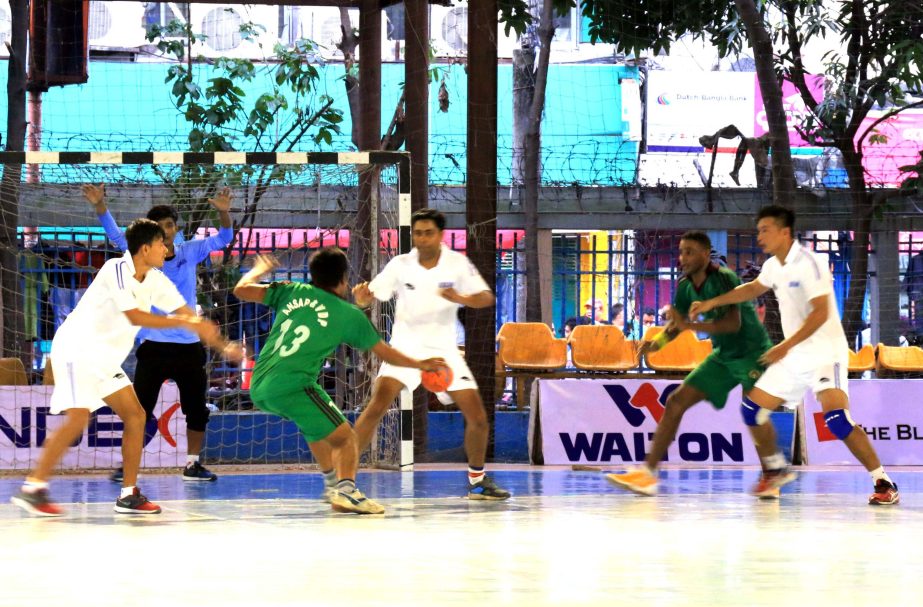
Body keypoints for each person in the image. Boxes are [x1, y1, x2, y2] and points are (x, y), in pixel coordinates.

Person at [11, 219, 240, 517]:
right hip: (77, 349)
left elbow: (186, 313)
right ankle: (34, 488)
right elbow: (134, 316)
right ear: (145, 248)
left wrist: (223, 344)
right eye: (161, 243)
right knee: (78, 418)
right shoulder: (116, 268)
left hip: (104, 359)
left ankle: (128, 494)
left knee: (135, 415)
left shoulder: (156, 279)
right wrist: (187, 322)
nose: (165, 248)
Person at [690, 205, 899, 505]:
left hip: (825, 351)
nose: (760, 235)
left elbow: (820, 313)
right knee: (752, 410)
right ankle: (775, 471)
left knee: (838, 420)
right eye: (758, 230)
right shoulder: (773, 266)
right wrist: (713, 302)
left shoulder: (811, 263)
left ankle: (882, 481)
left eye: (765, 230)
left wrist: (785, 347)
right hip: (796, 355)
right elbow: (752, 289)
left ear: (784, 232)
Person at [232, 248, 446, 515]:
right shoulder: (349, 315)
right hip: (293, 385)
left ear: (313, 275)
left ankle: (333, 485)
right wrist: (421, 363)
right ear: (344, 279)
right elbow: (385, 353)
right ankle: (347, 491)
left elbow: (241, 290)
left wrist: (257, 270)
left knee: (317, 429)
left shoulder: (291, 290)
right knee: (346, 438)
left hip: (259, 384)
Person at [350, 208, 511, 500]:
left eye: (429, 233)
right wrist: (361, 301)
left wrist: (460, 297)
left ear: (440, 235)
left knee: (477, 417)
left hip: (443, 351)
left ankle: (477, 481)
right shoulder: (401, 264)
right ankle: (344, 481)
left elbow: (486, 297)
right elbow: (370, 296)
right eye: (418, 232)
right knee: (376, 406)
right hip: (404, 348)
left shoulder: (456, 264)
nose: (422, 238)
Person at [83, 184, 235, 482]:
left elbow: (226, 237)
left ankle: (192, 464)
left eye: (170, 225)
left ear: (176, 228)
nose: (166, 231)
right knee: (138, 411)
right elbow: (116, 236)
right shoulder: (142, 255)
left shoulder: (190, 251)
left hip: (189, 347)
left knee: (196, 411)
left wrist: (224, 212)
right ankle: (128, 468)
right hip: (152, 344)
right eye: (160, 227)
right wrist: (100, 205)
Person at [606, 231, 775, 497]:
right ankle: (647, 474)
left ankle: (771, 475)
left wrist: (690, 325)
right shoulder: (685, 287)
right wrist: (656, 344)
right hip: (723, 355)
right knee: (676, 402)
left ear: (706, 255)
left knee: (753, 413)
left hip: (751, 352)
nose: (682, 257)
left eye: (690, 252)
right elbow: (677, 325)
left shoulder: (725, 279)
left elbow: (733, 324)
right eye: (681, 251)